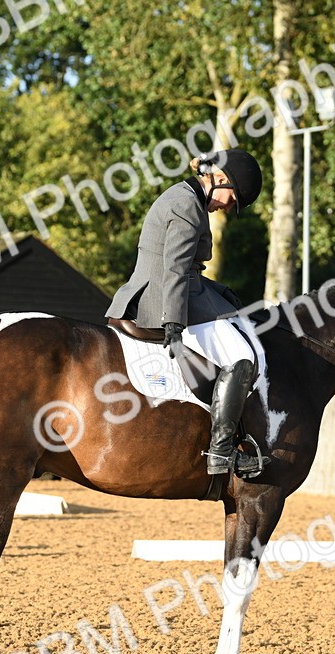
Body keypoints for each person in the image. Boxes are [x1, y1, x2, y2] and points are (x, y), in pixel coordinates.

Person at [105, 149, 266, 476]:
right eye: (231, 199)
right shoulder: (186, 204)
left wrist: (221, 294)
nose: (227, 206)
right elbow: (175, 270)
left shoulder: (186, 196)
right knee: (241, 357)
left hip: (182, 288)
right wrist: (174, 322)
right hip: (165, 296)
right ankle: (221, 452)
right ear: (220, 180)